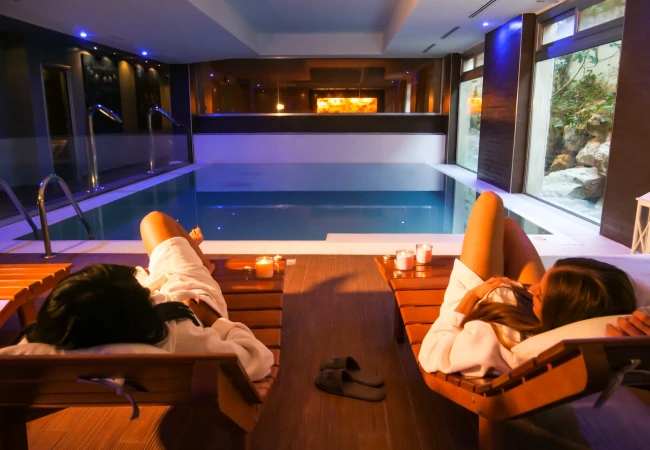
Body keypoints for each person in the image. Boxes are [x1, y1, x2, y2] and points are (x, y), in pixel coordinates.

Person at [21, 211, 274, 381]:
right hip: (189, 293)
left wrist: (147, 291)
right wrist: (212, 318)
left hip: (151, 296)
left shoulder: (52, 339)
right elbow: (259, 358)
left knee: (157, 249)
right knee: (154, 220)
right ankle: (200, 260)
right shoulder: (179, 337)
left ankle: (186, 251)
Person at [418, 191, 637, 377]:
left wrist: (473, 295)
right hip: (515, 303)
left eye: (540, 294)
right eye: (542, 282)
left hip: (475, 302)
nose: (531, 288)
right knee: (507, 225)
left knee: (489, 201)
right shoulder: (589, 311)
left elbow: (431, 352)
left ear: (557, 313)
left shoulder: (491, 342)